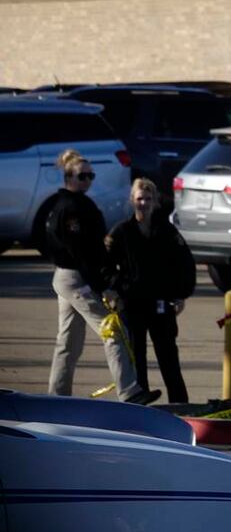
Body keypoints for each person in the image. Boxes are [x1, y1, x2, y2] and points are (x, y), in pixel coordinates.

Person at [45, 149, 159, 405]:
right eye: (82, 176)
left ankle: (56, 398)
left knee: (69, 341)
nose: (87, 180)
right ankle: (129, 392)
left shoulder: (69, 204)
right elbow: (82, 254)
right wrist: (103, 287)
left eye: (91, 175)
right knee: (113, 330)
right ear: (68, 177)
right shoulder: (71, 208)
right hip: (77, 278)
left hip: (68, 277)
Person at [105, 178, 196, 403]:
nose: (143, 203)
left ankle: (180, 404)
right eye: (139, 199)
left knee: (168, 356)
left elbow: (184, 263)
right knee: (136, 356)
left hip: (160, 303)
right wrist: (114, 289)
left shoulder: (167, 231)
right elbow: (105, 265)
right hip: (132, 304)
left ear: (155, 201)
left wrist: (180, 294)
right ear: (132, 201)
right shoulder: (121, 232)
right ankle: (141, 402)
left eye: (148, 199)